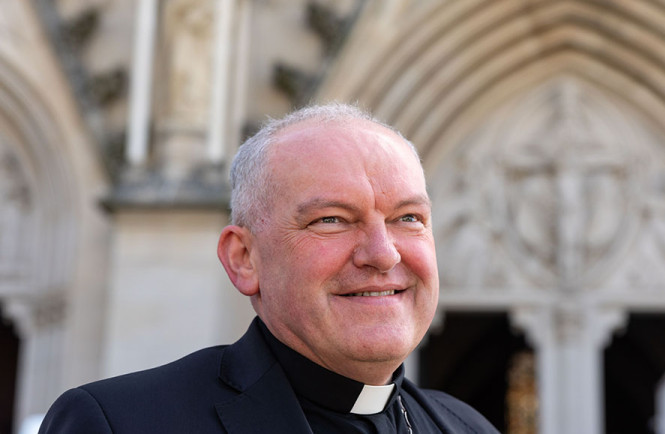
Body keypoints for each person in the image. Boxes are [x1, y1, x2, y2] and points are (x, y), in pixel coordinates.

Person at [39, 104, 500, 433]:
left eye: (408, 219)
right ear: (244, 258)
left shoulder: (466, 427)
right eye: (331, 220)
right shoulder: (119, 423)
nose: (383, 254)